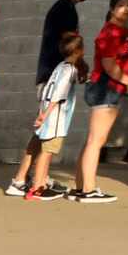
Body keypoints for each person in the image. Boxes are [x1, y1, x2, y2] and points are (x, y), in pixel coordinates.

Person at [48, 0, 128, 202]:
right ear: (112, 8)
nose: (126, 9)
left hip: (113, 87)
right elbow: (108, 63)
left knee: (94, 140)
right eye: (121, 5)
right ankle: (88, 189)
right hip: (106, 86)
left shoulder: (125, 32)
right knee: (97, 140)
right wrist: (126, 80)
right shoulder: (110, 32)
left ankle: (80, 186)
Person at [22, 29, 86, 199]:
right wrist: (46, 114)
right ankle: (38, 186)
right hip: (56, 119)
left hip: (48, 115)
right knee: (47, 152)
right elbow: (58, 94)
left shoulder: (60, 66)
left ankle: (40, 183)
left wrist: (42, 112)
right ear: (80, 51)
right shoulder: (69, 70)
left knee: (45, 150)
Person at [38, 0, 94, 88]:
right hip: (55, 76)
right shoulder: (66, 10)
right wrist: (81, 66)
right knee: (54, 107)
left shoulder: (65, 7)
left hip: (54, 75)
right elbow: (70, 43)